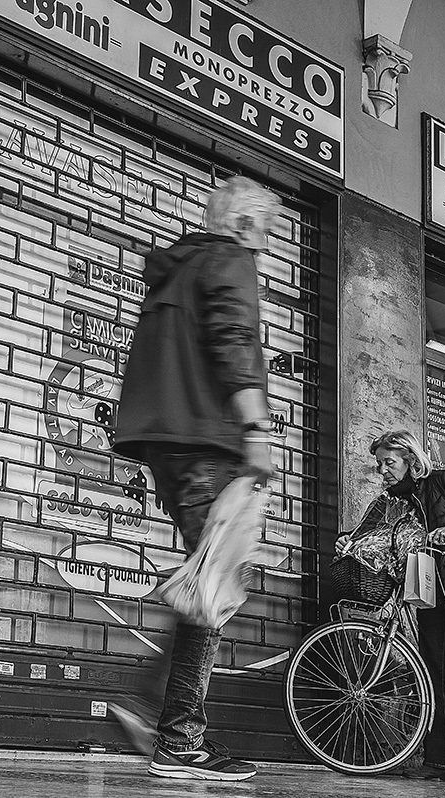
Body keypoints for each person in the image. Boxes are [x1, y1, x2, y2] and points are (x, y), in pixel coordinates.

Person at [110, 176, 280, 781]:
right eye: (265, 230)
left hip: (169, 441)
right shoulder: (230, 259)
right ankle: (180, 738)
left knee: (206, 579)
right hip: (209, 441)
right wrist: (256, 428)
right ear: (243, 224)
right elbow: (234, 338)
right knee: (214, 584)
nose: (266, 244)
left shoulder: (179, 269)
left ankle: (152, 709)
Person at [336, 429, 445, 785]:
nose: (382, 470)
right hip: (428, 597)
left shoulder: (442, 483)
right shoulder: (388, 502)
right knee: (433, 678)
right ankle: (440, 762)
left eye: (389, 462)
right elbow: (367, 534)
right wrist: (348, 542)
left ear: (410, 460)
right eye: (379, 464)